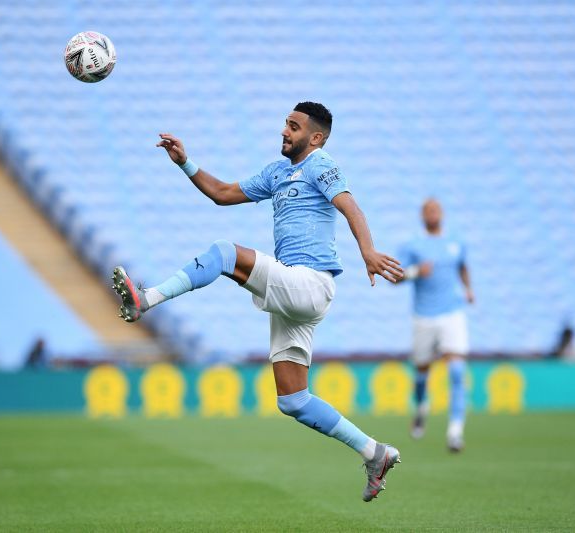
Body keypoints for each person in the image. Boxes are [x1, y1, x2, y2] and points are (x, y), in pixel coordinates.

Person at [111, 102, 404, 502]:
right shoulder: (277, 172)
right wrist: (185, 162)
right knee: (293, 400)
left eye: (295, 126)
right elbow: (222, 193)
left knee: (225, 253)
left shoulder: (321, 164)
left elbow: (350, 205)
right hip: (293, 290)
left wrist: (368, 252)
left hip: (310, 283)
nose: (285, 131)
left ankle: (146, 299)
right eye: (285, 123)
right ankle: (375, 452)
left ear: (315, 137)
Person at [397, 199, 474, 452]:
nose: (432, 214)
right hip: (424, 316)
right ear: (422, 215)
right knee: (421, 374)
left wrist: (468, 290)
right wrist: (417, 271)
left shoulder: (456, 242)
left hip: (452, 312)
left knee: (456, 371)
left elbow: (462, 267)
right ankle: (421, 408)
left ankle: (455, 432)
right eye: (428, 211)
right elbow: (396, 277)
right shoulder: (412, 244)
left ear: (442, 214)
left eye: (436, 210)